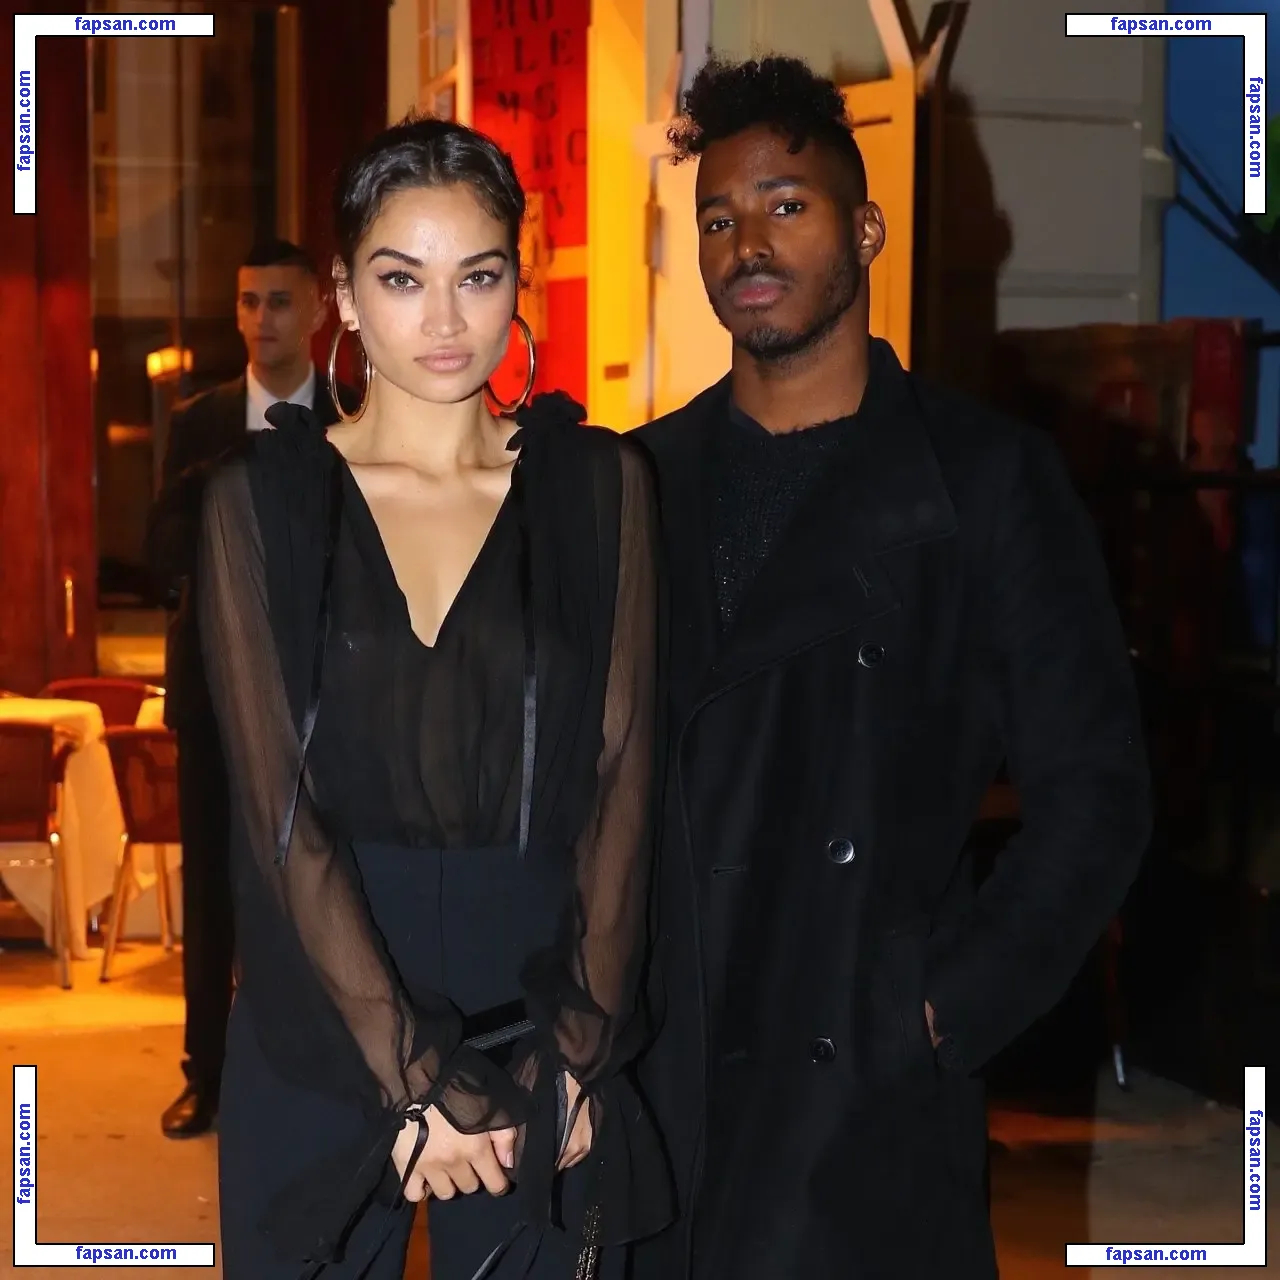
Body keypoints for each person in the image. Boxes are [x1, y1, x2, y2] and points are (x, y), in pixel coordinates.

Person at [631, 56, 1152, 1280]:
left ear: (862, 229)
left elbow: (1095, 791)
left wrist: (939, 1003)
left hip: (855, 1087)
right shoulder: (639, 479)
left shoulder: (981, 478)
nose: (747, 244)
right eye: (717, 218)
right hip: (670, 1060)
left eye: (785, 205)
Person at [199, 114, 670, 1279]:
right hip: (321, 1012)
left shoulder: (600, 486)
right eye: (403, 279)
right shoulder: (260, 501)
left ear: (520, 280)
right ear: (345, 297)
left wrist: (581, 1047)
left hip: (542, 1016)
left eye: (479, 275)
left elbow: (622, 773)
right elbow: (276, 809)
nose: (446, 321)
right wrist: (412, 1076)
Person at [146, 238, 345, 1139]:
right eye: (248, 301)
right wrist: (216, 481)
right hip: (213, 695)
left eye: (279, 301)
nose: (261, 319)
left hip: (325, 698)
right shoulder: (200, 422)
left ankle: (326, 1067)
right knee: (212, 889)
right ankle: (208, 1073)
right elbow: (160, 555)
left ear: (317, 311)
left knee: (321, 881)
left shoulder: (355, 412)